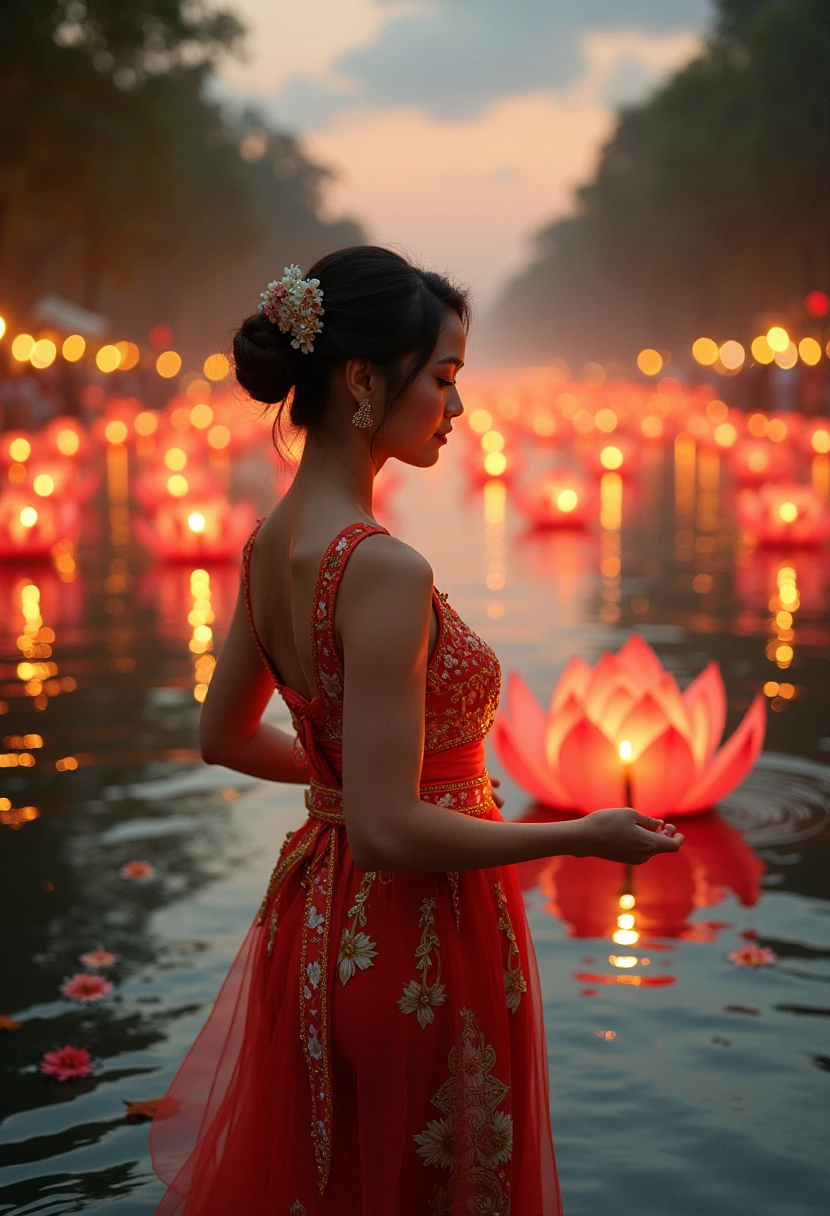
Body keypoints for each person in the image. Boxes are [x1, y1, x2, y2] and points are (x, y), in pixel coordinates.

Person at [149, 245, 684, 1215]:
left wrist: (341, 790)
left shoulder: (272, 541)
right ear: (362, 380)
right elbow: (394, 831)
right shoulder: (380, 566)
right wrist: (577, 835)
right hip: (418, 935)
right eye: (443, 377)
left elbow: (224, 737)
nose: (458, 406)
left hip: (315, 919)